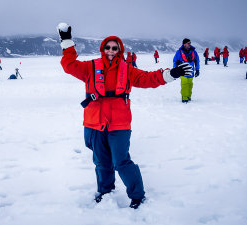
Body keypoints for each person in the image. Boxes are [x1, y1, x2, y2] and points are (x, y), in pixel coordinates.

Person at [57, 23, 193, 209]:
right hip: (94, 123)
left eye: (115, 48)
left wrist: (172, 73)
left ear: (119, 50)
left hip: (119, 125)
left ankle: (137, 195)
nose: (111, 51)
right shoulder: (90, 67)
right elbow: (69, 65)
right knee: (101, 162)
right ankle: (105, 192)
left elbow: (148, 79)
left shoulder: (127, 69)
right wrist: (66, 41)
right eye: (108, 47)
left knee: (121, 162)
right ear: (103, 49)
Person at [173, 38, 200, 103]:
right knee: (184, 84)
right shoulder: (179, 52)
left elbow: (197, 61)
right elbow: (175, 61)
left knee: (190, 85)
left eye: (190, 43)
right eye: (188, 43)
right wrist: (175, 71)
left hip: (191, 71)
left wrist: (197, 70)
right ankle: (184, 98)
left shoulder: (194, 52)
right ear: (184, 44)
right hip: (182, 71)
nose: (190, 44)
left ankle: (188, 97)